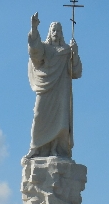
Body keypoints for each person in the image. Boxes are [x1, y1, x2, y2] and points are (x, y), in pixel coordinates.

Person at [25, 12, 82, 159]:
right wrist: (34, 28)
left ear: (62, 33)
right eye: (53, 30)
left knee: (61, 121)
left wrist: (74, 54)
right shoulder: (45, 48)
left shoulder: (66, 51)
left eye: (58, 30)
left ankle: (57, 149)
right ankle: (36, 148)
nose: (56, 33)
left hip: (61, 90)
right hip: (46, 88)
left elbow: (75, 72)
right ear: (49, 33)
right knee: (39, 115)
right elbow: (35, 53)